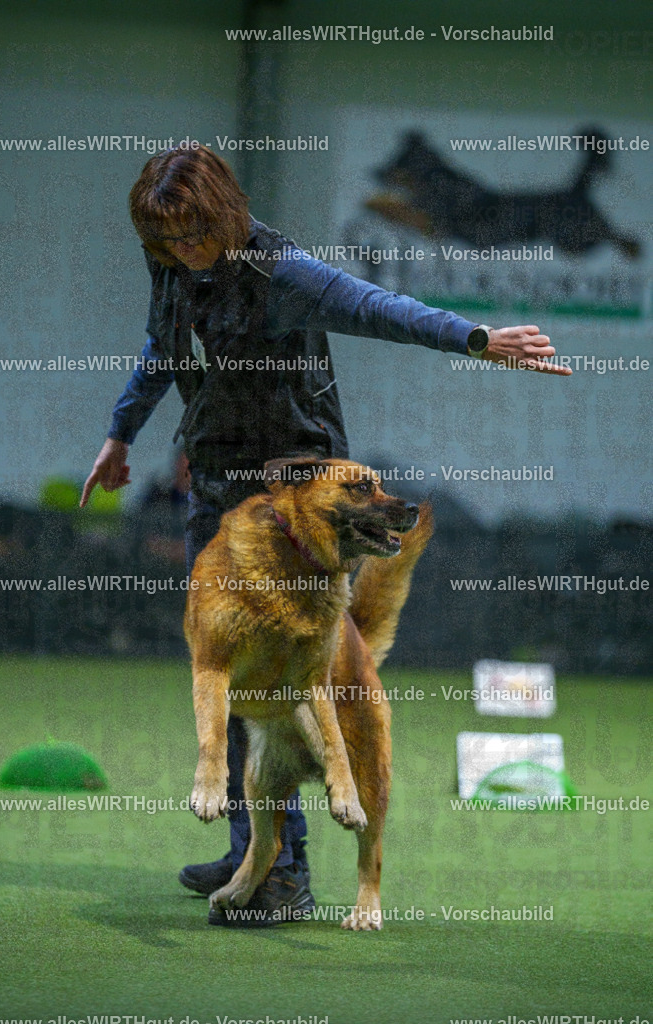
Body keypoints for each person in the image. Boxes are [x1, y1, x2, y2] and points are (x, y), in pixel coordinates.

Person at [80, 144, 571, 927]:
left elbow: (378, 308)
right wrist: (120, 434)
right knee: (234, 677)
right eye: (166, 241)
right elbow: (159, 346)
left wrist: (477, 340)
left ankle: (287, 866)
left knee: (312, 675)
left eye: (195, 236)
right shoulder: (172, 264)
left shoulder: (280, 273)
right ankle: (257, 847)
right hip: (213, 490)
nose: (184, 252)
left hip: (298, 508)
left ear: (223, 213)